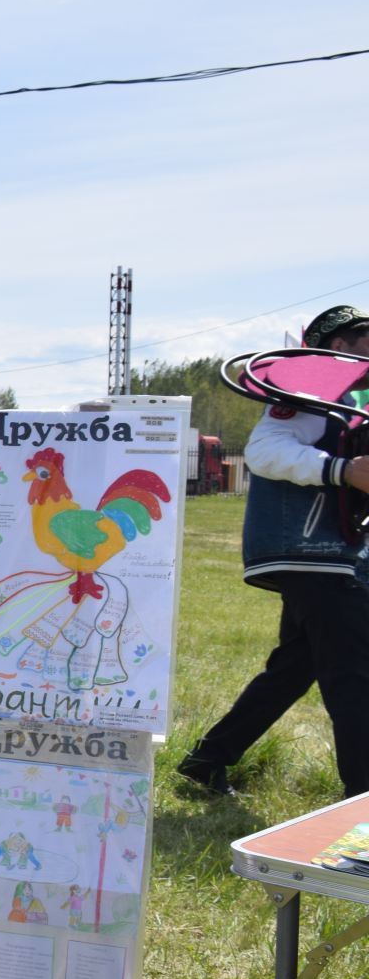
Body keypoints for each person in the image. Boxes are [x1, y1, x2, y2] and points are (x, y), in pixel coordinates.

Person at [178, 305, 369, 798]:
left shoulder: (349, 397)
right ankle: (360, 805)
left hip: (331, 553)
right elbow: (264, 451)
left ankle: (208, 758)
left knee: (295, 668)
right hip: (313, 552)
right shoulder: (309, 390)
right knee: (352, 675)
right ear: (338, 344)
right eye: (364, 337)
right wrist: (342, 471)